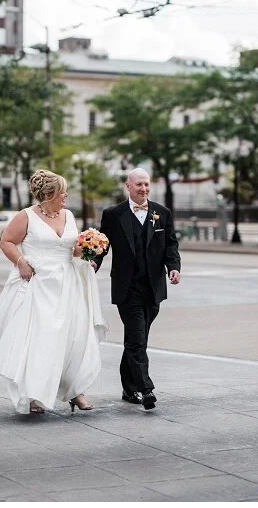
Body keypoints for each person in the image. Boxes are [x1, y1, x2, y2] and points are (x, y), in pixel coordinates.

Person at [0, 170, 108, 414]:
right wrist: (21, 261)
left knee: (74, 337)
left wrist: (85, 252)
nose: (66, 195)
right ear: (48, 194)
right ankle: (34, 394)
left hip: (70, 283)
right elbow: (6, 241)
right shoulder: (26, 216)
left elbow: (72, 249)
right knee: (41, 340)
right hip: (39, 284)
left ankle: (75, 390)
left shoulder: (69, 215)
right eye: (62, 190)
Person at [95, 168, 181, 411]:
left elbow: (170, 244)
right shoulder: (112, 214)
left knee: (136, 340)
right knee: (136, 338)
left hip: (153, 287)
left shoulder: (161, 213)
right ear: (128, 186)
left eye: (146, 184)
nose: (143, 188)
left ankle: (128, 387)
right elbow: (102, 245)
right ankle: (146, 388)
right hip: (126, 287)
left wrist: (173, 267)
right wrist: (93, 261)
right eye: (139, 184)